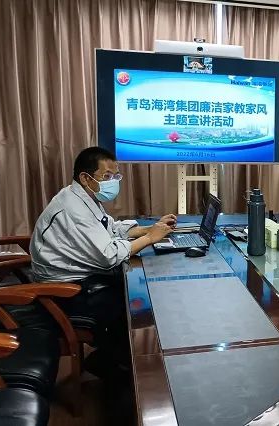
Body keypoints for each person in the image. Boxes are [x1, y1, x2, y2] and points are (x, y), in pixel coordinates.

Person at [30, 147, 176, 377]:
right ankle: (116, 365)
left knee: (134, 289)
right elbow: (108, 255)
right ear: (85, 177)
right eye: (107, 176)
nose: (113, 182)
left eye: (116, 176)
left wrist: (150, 229)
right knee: (135, 301)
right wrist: (150, 239)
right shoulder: (73, 208)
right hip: (63, 292)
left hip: (76, 276)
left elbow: (109, 229)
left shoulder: (82, 196)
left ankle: (115, 358)